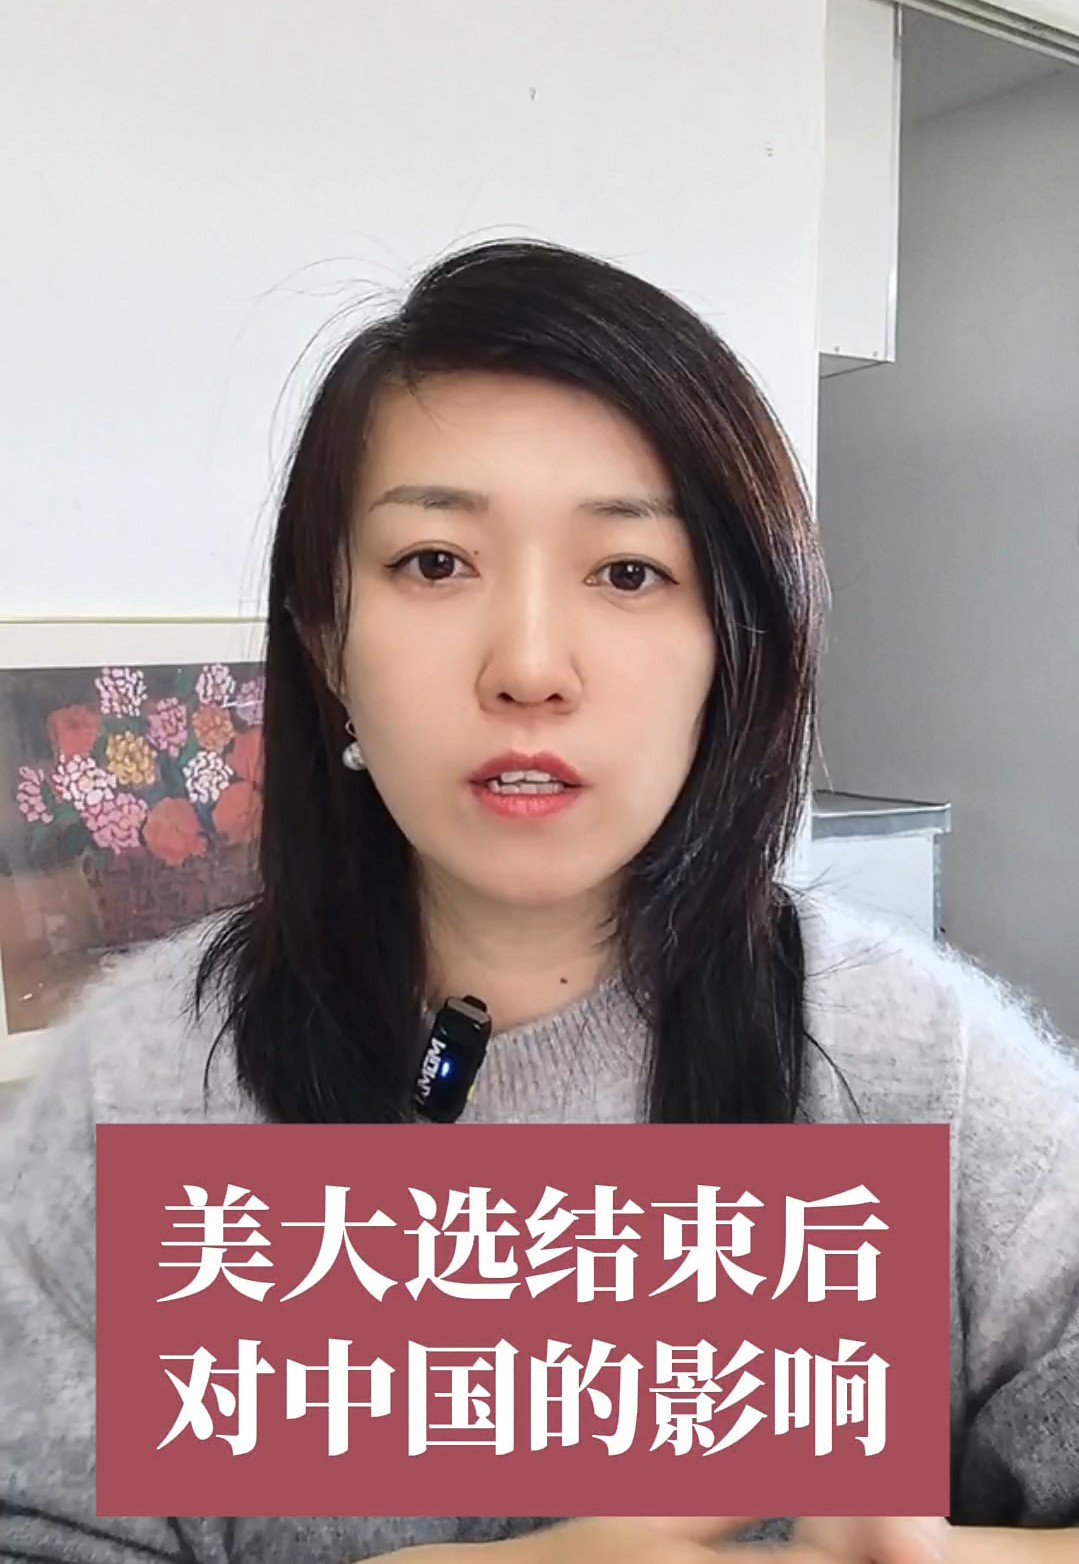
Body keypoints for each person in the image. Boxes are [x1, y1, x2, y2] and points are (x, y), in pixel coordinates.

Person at [0, 240, 1076, 1564]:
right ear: (328, 642)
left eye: (628, 572)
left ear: (734, 651)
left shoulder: (919, 1062)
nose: (526, 666)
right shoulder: (139, 1084)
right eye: (432, 563)